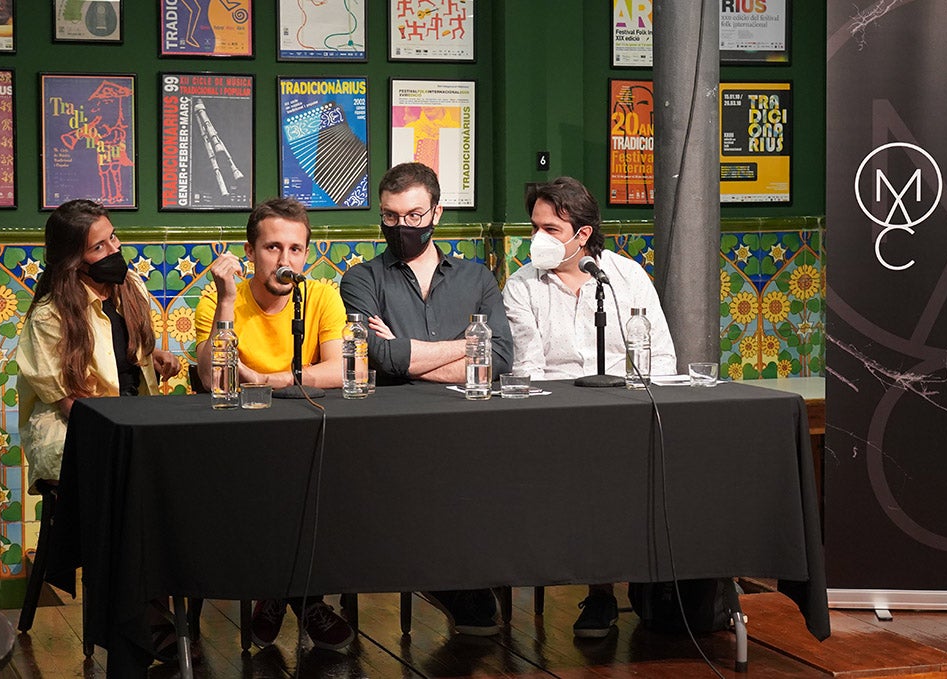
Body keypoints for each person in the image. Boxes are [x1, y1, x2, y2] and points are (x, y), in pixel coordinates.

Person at [339, 162, 512, 635]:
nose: (402, 228)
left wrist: (409, 349)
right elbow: (379, 357)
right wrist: (467, 342)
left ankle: (464, 574)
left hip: (472, 427)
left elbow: (499, 357)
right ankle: (442, 577)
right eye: (391, 218)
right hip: (394, 429)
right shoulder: (360, 279)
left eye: (414, 216)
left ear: (436, 212)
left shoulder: (477, 278)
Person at [501, 176, 677, 638]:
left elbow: (661, 357)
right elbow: (527, 369)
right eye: (534, 227)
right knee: (591, 472)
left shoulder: (625, 277)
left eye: (551, 229)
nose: (537, 238)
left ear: (582, 235)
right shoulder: (522, 286)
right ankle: (601, 594)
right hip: (555, 419)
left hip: (626, 415)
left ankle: (661, 585)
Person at [17, 199, 182, 666]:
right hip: (75, 430)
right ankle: (144, 619)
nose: (114, 249)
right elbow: (69, 402)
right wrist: (123, 432)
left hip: (133, 422)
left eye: (114, 237)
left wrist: (158, 360)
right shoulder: (51, 315)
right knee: (133, 484)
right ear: (73, 259)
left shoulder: (128, 290)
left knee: (178, 476)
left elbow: (132, 364)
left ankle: (153, 609)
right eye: (100, 245)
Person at [193, 197, 354, 651]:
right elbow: (212, 379)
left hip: (304, 439)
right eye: (272, 248)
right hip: (240, 442)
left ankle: (284, 594)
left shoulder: (320, 295)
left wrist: (268, 379)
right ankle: (301, 599)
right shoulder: (221, 297)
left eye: (296, 249)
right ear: (250, 251)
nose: (285, 261)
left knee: (336, 481)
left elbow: (339, 370)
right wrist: (227, 298)